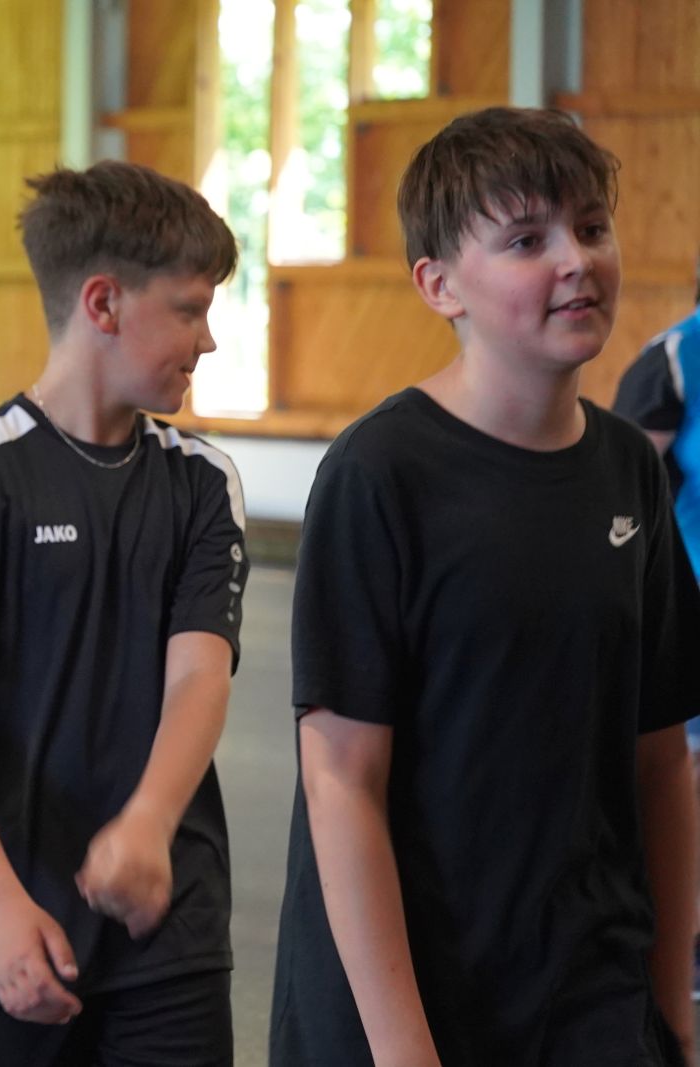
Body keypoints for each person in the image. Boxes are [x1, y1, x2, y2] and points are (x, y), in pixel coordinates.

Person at [269, 107, 699, 1066]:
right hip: (408, 1001)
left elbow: (661, 760)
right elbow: (342, 778)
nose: (577, 260)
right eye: (527, 240)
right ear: (440, 285)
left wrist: (671, 1000)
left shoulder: (629, 470)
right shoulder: (381, 474)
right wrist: (403, 1048)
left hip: (589, 994)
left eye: (592, 227)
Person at [0, 160, 247, 1066]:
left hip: (167, 929)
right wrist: (1, 907)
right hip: (1, 925)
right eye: (190, 309)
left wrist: (148, 822)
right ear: (103, 303)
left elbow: (200, 677)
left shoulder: (203, 482)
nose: (207, 339)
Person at [612, 254, 700, 999]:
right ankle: (684, 942)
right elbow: (625, 497)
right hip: (689, 605)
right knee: (684, 772)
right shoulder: (673, 359)